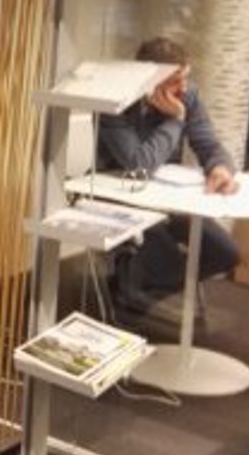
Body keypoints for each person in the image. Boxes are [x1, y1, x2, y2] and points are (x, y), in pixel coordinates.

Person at [96, 35, 240, 317]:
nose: (183, 87)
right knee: (166, 258)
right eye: (175, 81)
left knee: (225, 252)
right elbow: (138, 166)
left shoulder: (187, 97)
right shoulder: (115, 101)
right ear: (149, 82)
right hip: (119, 197)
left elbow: (209, 145)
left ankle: (135, 289)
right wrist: (175, 120)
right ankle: (133, 289)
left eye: (185, 78)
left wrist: (220, 168)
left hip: (166, 198)